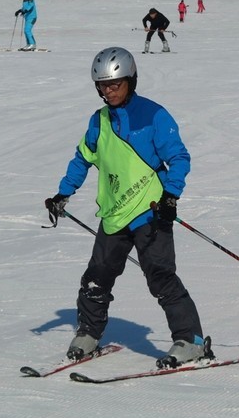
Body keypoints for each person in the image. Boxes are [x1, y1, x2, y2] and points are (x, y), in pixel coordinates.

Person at [45, 47, 208, 367]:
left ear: (131, 81)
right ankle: (89, 333)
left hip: (150, 211)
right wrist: (63, 193)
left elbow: (178, 158)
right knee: (97, 277)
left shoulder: (153, 115)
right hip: (114, 214)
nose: (109, 91)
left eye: (115, 84)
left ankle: (191, 340)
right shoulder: (99, 120)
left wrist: (170, 196)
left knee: (160, 277)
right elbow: (83, 158)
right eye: (103, 86)